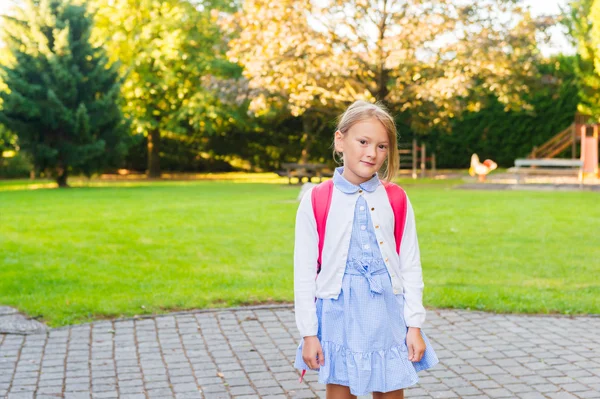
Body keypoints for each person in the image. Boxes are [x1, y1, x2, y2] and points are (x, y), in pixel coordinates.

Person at [293, 100, 439, 398]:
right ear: (340, 140)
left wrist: (414, 325)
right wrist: (309, 333)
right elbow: (304, 273)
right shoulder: (317, 199)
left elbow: (410, 265)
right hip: (337, 315)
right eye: (363, 142)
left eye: (382, 146)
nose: (372, 153)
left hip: (386, 314)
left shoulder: (396, 198)